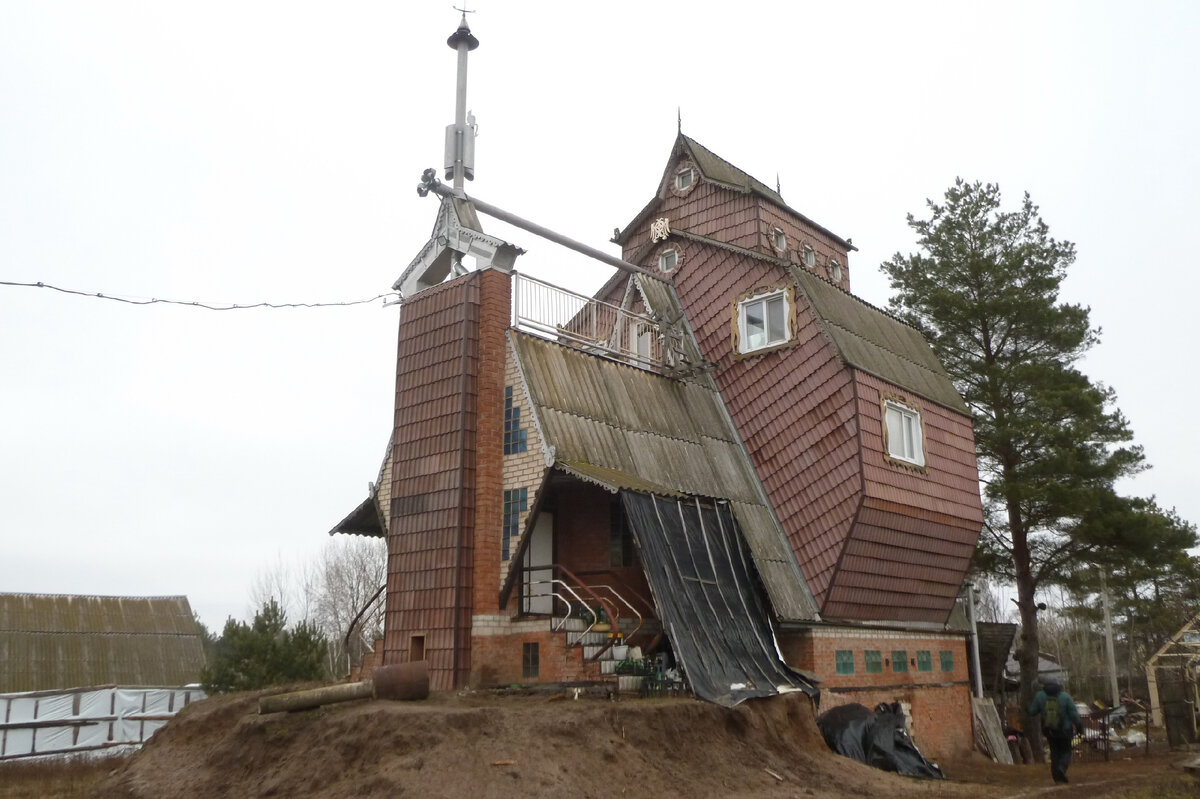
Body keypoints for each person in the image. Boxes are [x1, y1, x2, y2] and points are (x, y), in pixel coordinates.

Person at [1027, 679, 1083, 783]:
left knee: (1054, 753)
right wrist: (1079, 727)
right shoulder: (1065, 696)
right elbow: (1073, 714)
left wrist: (1027, 708)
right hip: (1065, 730)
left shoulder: (1040, 696)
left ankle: (1057, 778)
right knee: (1066, 751)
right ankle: (1062, 768)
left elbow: (1032, 711)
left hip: (1049, 730)